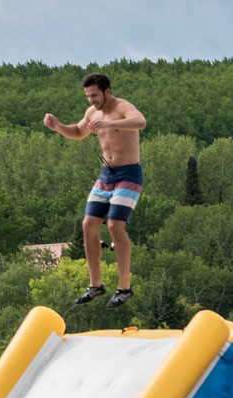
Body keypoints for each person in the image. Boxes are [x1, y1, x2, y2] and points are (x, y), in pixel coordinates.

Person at [44, 72, 146, 309]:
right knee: (88, 225)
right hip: (106, 175)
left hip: (128, 174)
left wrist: (110, 123)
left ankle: (124, 287)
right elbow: (79, 132)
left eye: (95, 95)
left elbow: (141, 122)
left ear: (107, 91)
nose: (91, 100)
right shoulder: (92, 112)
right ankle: (95, 285)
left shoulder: (123, 107)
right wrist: (58, 127)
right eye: (88, 96)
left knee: (114, 225)